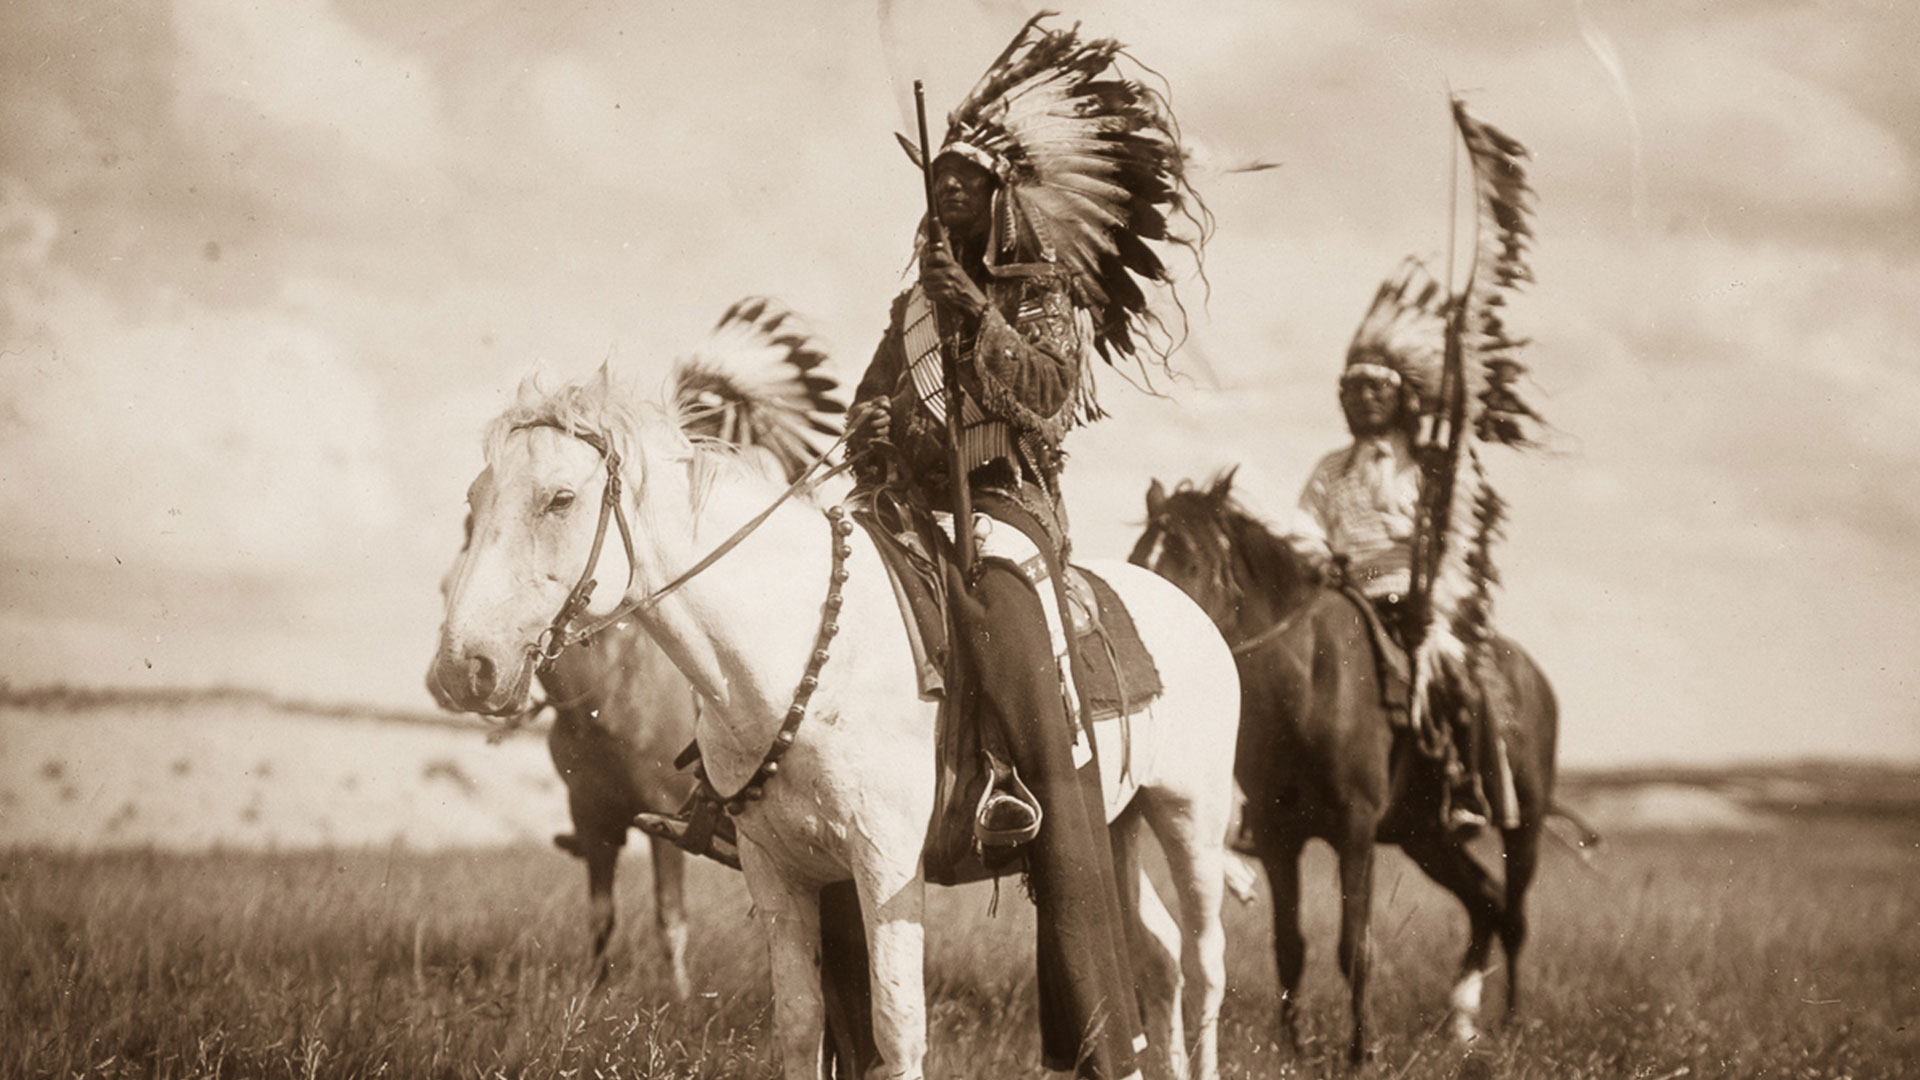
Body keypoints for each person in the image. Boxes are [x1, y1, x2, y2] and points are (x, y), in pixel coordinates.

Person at [844, 17, 1206, 1080]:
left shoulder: (1038, 292)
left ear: (1000, 196)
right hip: (909, 507)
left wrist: (981, 322)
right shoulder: (912, 302)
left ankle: (1030, 793)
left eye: (964, 184)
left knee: (1001, 610)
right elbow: (870, 404)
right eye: (937, 184)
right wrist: (867, 462)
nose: (945, 197)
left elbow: (1048, 401)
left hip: (1007, 509)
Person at [1287, 259, 1493, 831]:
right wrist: (1322, 561)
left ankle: (1462, 784)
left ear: (1400, 396)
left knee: (1448, 674)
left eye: (1374, 387)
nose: (1362, 398)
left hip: (1417, 600)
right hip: (1345, 597)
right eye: (1351, 388)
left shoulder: (1432, 468)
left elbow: (1461, 539)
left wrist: (1434, 596)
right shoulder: (1331, 469)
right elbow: (1304, 527)